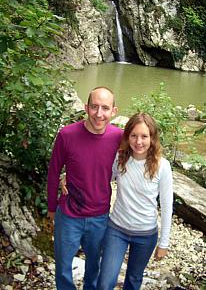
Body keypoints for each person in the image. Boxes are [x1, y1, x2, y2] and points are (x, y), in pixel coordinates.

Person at [47, 86, 123, 290]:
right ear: (85, 107)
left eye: (105, 108)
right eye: (94, 107)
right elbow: (54, 172)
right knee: (63, 266)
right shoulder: (67, 134)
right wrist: (52, 207)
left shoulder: (119, 137)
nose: (99, 114)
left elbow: (142, 157)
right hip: (69, 215)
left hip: (99, 216)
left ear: (114, 111)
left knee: (94, 266)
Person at [96, 112, 173, 290]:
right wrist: (69, 176)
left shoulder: (163, 166)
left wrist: (164, 243)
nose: (139, 142)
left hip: (146, 235)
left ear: (152, 137)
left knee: (133, 280)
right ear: (127, 136)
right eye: (134, 136)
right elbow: (98, 176)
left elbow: (168, 206)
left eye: (144, 136)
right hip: (116, 229)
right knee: (105, 281)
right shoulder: (120, 159)